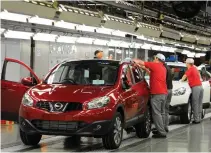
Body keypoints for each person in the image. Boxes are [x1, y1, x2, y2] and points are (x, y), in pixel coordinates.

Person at [133, 53, 168, 138]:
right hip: (163, 93)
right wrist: (141, 67)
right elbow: (151, 72)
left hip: (157, 93)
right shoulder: (162, 67)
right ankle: (162, 129)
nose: (153, 59)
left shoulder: (155, 65)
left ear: (157, 58)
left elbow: (142, 62)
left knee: (156, 113)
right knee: (161, 113)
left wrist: (133, 60)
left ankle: (161, 132)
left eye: (154, 58)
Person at [180, 58, 203, 124]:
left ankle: (196, 120)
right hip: (200, 86)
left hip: (195, 87)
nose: (185, 64)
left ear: (188, 63)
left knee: (195, 103)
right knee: (199, 103)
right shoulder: (195, 68)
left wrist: (180, 81)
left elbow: (184, 76)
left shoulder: (190, 69)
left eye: (186, 63)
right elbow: (198, 76)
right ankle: (199, 118)